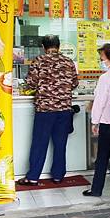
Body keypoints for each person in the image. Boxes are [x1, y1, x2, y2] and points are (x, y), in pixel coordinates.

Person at [17, 35, 79, 186]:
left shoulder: (39, 61)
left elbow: (31, 84)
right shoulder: (68, 61)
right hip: (64, 109)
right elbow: (74, 84)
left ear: (44, 47)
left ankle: (33, 176)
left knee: (39, 143)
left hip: (45, 109)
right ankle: (58, 175)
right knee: (60, 143)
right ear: (58, 46)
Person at [83, 44, 110, 197]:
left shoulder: (105, 77)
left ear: (108, 58)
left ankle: (96, 189)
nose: (101, 59)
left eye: (102, 57)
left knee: (102, 157)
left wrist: (95, 121)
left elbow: (100, 101)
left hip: (107, 122)